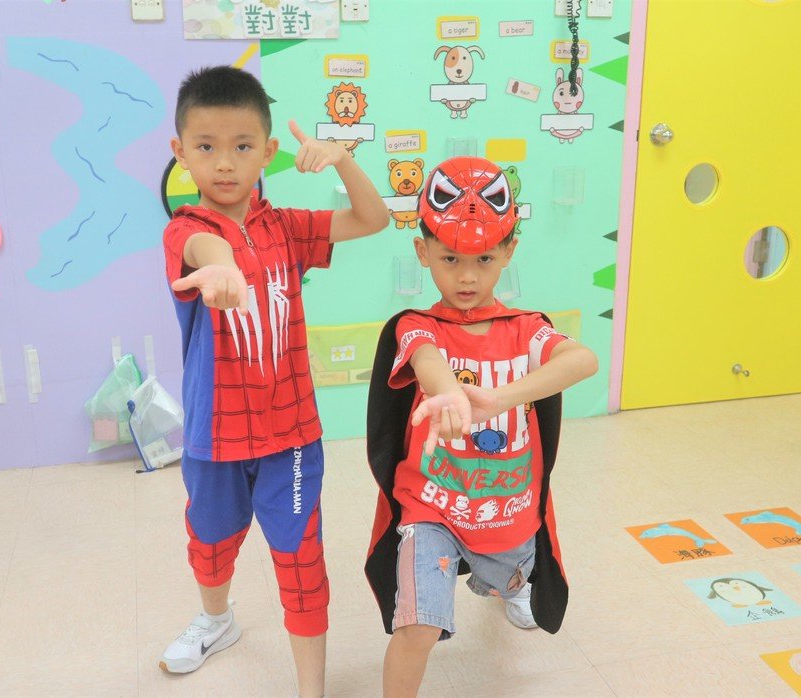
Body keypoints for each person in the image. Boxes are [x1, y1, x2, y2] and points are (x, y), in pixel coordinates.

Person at [159, 65, 389, 698]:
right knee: (210, 543)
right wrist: (223, 268)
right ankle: (216, 620)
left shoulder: (286, 226)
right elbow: (206, 251)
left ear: (268, 151)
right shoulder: (185, 229)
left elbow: (372, 219)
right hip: (214, 438)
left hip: (291, 436)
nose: (224, 163)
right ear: (181, 152)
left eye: (242, 146)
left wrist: (344, 159)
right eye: (206, 146)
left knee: (301, 562)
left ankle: (311, 688)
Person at [363, 156, 598, 697]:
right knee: (417, 627)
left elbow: (582, 360)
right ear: (422, 251)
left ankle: (509, 586)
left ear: (509, 251)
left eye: (484, 258)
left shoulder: (527, 329)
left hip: (504, 507)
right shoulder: (417, 326)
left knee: (508, 579)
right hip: (433, 507)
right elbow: (427, 360)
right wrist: (448, 391)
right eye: (450, 258)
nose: (467, 276)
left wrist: (499, 399)